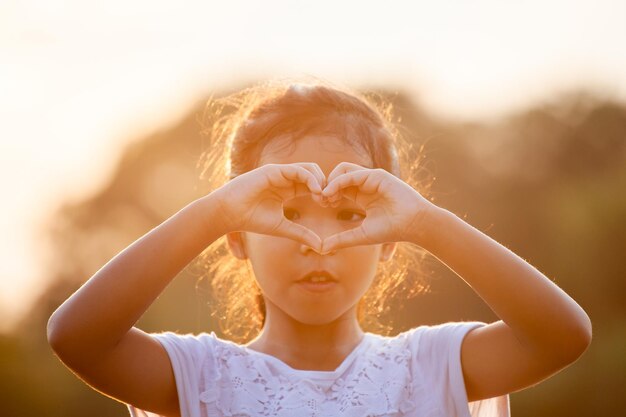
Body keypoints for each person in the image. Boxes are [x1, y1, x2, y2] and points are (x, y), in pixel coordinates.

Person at [47, 79, 592, 417]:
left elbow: (563, 336)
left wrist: (426, 222)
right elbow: (77, 337)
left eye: (352, 214)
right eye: (287, 215)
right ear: (237, 237)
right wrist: (214, 211)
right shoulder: (203, 379)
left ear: (389, 243)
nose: (320, 242)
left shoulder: (430, 368)